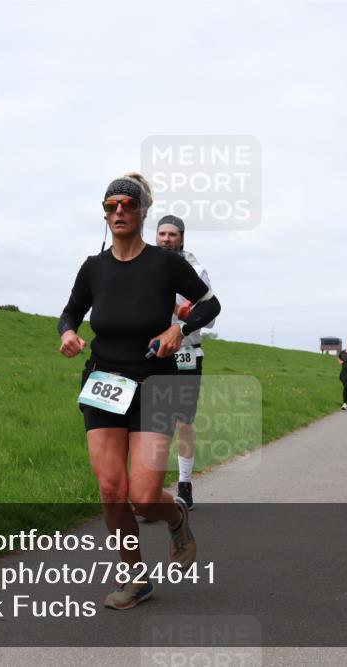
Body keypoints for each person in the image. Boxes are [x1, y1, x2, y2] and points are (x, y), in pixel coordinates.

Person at [58, 173, 222, 610]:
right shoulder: (93, 267)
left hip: (154, 383)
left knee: (144, 497)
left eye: (127, 205)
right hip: (104, 384)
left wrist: (179, 328)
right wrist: (68, 333)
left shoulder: (165, 264)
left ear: (143, 211)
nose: (118, 212)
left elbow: (210, 303)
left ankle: (176, 516)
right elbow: (70, 312)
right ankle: (135, 578)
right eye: (111, 206)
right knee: (111, 489)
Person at [156, 215, 213, 510]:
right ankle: (150, 492)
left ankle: (185, 486)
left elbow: (211, 314)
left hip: (187, 352)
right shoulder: (146, 266)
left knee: (183, 420)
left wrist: (184, 316)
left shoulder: (196, 270)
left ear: (182, 238)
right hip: (153, 352)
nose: (166, 239)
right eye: (162, 234)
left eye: (172, 234)